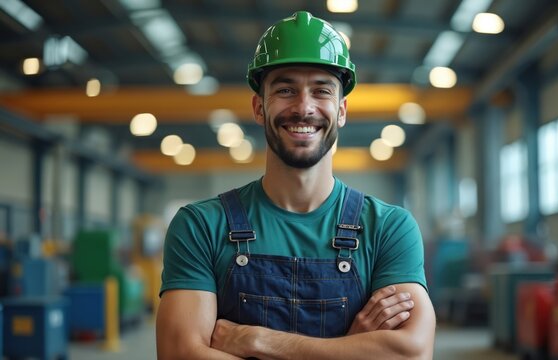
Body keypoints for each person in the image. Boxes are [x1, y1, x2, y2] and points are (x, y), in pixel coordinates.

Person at [156, 11, 435, 359]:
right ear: (259, 107)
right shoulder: (201, 226)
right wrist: (350, 347)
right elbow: (179, 354)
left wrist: (258, 342)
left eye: (321, 90)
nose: (304, 108)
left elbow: (411, 354)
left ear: (342, 110)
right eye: (286, 90)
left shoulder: (388, 228)